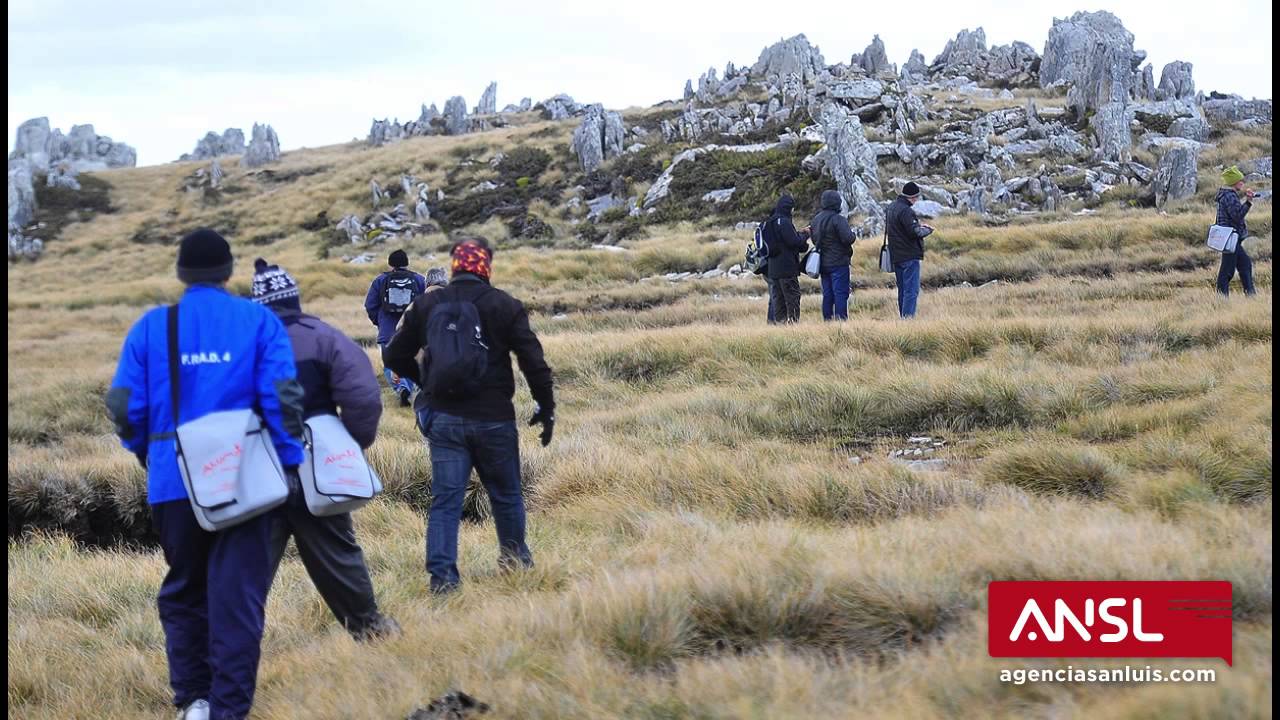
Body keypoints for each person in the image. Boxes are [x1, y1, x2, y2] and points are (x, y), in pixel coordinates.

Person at [105, 229, 305, 720]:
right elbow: (283, 398)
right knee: (236, 598)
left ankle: (193, 700)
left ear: (181, 273)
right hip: (245, 482)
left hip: (173, 482)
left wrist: (147, 455)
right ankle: (229, 710)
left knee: (184, 591)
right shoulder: (257, 320)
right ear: (228, 271)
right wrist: (289, 460)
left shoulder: (151, 327)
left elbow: (123, 405)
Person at [383, 238, 555, 594]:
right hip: (494, 417)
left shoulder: (427, 303)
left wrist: (423, 382)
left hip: (444, 419)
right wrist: (545, 405)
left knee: (446, 500)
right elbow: (533, 361)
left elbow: (394, 356)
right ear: (486, 267)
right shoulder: (504, 305)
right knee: (506, 494)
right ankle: (516, 566)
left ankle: (443, 581)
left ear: (456, 267)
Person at [249, 259, 401, 642]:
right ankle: (371, 631)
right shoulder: (324, 336)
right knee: (336, 552)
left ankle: (225, 649)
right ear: (295, 299)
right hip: (316, 469)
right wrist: (347, 447)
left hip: (259, 471)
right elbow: (364, 399)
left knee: (247, 567)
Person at [365, 250, 426, 406]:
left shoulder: (380, 281)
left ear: (390, 264)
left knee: (390, 364)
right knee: (412, 362)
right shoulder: (419, 280)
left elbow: (370, 305)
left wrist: (380, 322)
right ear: (407, 263)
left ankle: (401, 388)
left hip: (387, 331)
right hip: (413, 332)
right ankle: (409, 390)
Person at [885, 181, 934, 318]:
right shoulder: (906, 211)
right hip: (909, 255)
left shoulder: (892, 207)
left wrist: (917, 226)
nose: (917, 200)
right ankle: (908, 321)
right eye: (916, 197)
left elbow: (901, 229)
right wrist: (927, 230)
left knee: (902, 290)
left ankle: (903, 318)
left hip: (896, 255)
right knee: (911, 290)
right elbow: (914, 233)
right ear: (912, 197)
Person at [809, 189, 857, 321]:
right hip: (839, 263)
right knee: (840, 293)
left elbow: (814, 239)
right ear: (837, 203)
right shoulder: (838, 219)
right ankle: (841, 322)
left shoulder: (816, 220)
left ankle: (827, 321)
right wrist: (853, 234)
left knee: (828, 294)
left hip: (823, 263)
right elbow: (848, 238)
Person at [764, 194, 810, 324]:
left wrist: (799, 236)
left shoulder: (770, 221)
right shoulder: (784, 222)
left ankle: (780, 325)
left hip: (773, 269)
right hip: (787, 269)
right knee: (792, 298)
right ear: (789, 208)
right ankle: (793, 325)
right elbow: (793, 242)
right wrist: (805, 234)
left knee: (778, 299)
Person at [1215, 166, 1257, 297]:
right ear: (1234, 182)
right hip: (1230, 237)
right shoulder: (1230, 197)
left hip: (1230, 237)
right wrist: (1248, 202)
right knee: (1228, 270)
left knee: (1244, 265)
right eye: (1240, 180)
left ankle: (1250, 295)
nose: (1242, 183)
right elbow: (1237, 216)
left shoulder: (1227, 195)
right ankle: (1222, 297)